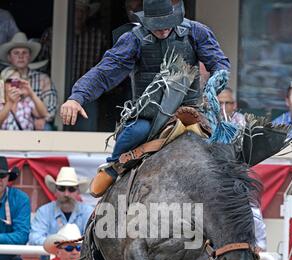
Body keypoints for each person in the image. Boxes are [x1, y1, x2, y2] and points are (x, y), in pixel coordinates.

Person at [60, 0, 230, 197]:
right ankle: (114, 167)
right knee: (136, 131)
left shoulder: (196, 32)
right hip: (150, 111)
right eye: (157, 26)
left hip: (192, 108)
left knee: (225, 145)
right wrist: (77, 97)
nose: (163, 30)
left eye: (167, 24)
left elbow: (219, 62)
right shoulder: (133, 39)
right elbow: (104, 72)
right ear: (146, 21)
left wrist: (217, 80)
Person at [0, 32, 58, 130]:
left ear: (30, 56)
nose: (20, 56)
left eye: (24, 52)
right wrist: (9, 103)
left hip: (35, 126)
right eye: (16, 53)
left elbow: (49, 113)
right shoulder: (2, 79)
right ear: (9, 57)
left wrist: (30, 93)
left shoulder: (43, 79)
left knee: (46, 128)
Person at [29, 167, 93, 247]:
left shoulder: (88, 211)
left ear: (78, 192)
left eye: (71, 189)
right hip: (51, 257)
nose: (66, 194)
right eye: (61, 188)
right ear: (55, 191)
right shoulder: (44, 211)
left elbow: (92, 240)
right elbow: (34, 238)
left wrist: (59, 245)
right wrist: (64, 246)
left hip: (79, 258)